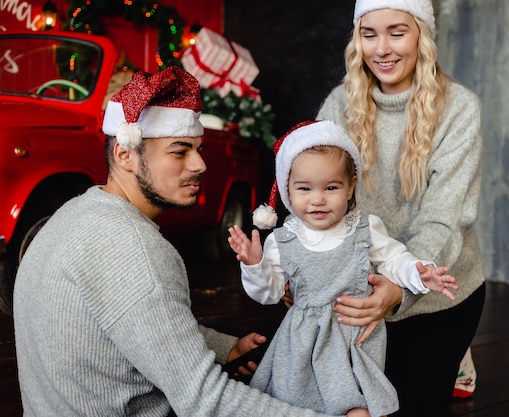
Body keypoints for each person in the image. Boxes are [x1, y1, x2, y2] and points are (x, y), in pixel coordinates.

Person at [12, 66, 368, 417]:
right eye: (179, 151)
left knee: (236, 339)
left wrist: (223, 348)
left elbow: (135, 318)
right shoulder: (136, 250)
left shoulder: (72, 213)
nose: (199, 164)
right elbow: (205, 401)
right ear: (125, 154)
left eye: (198, 149)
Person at [315, 1, 486, 416]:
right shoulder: (340, 105)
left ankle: (453, 357)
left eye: (397, 32)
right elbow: (315, 195)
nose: (382, 49)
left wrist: (399, 289)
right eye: (369, 34)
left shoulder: (459, 108)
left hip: (434, 292)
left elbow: (442, 219)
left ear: (422, 37)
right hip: (358, 289)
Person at [227, 120, 459, 417]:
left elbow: (393, 259)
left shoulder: (364, 229)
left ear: (351, 187)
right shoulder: (283, 240)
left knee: (359, 408)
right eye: (304, 188)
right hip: (302, 345)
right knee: (298, 405)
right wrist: (255, 264)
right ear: (287, 189)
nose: (318, 199)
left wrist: (418, 271)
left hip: (354, 339)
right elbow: (269, 293)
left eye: (331, 187)